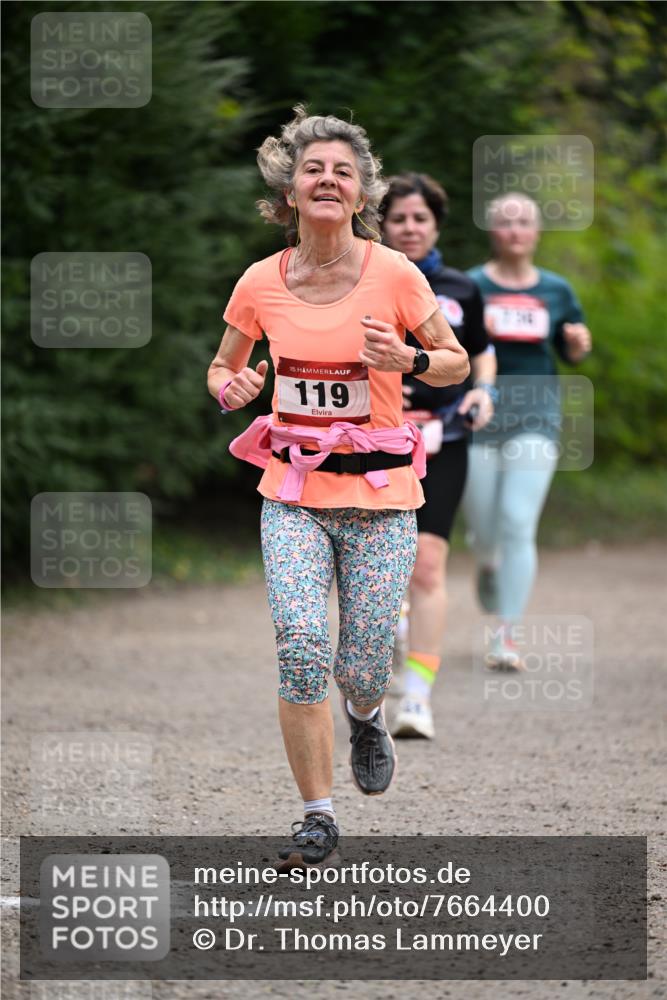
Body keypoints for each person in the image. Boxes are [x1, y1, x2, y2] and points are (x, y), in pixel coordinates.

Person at [207, 107, 469, 865]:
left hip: (382, 500)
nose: (326, 179)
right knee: (298, 644)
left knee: (359, 662)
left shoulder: (395, 274)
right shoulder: (261, 280)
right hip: (291, 494)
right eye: (313, 168)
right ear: (289, 189)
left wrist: (408, 362)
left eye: (342, 172)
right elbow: (223, 368)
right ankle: (316, 814)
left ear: (361, 196)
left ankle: (365, 712)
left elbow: (453, 359)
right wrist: (233, 388)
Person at [379, 173, 497, 740]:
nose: (409, 227)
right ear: (381, 224)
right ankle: (392, 635)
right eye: (398, 218)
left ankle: (418, 697)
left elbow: (480, 353)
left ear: (435, 224)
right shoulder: (362, 280)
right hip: (374, 443)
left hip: (443, 442)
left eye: (419, 218)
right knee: (385, 569)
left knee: (427, 565)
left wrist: (482, 391)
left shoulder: (462, 288)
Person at [463, 192, 592, 668]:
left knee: (519, 521)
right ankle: (487, 564)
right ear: (492, 231)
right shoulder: (471, 286)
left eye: (524, 222)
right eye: (505, 221)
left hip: (536, 418)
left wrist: (578, 343)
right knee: (483, 531)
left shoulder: (557, 290)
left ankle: (506, 634)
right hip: (479, 419)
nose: (515, 230)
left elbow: (571, 347)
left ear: (536, 232)